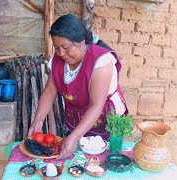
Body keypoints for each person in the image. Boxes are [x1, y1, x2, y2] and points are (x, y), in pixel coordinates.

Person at [28, 14, 128, 159]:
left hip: (105, 119)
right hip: (76, 117)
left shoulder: (101, 61)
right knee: (74, 160)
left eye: (66, 47)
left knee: (99, 161)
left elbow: (96, 106)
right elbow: (50, 91)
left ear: (81, 42)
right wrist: (38, 121)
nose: (61, 53)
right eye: (57, 48)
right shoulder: (58, 59)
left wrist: (74, 137)